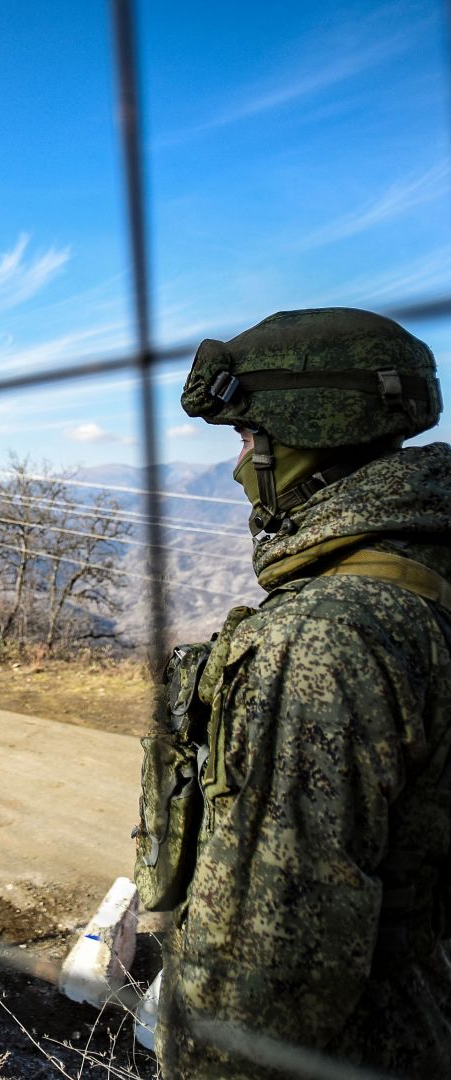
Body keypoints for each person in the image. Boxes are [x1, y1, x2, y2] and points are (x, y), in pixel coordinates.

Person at [134, 308, 451, 1078]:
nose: (242, 465)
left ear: (306, 436)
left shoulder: (320, 637)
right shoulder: (423, 582)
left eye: (246, 439)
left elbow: (262, 986)